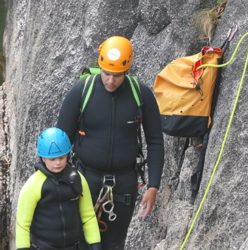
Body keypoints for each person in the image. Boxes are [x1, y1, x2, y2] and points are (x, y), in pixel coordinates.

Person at [57, 36, 164, 249]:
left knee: (113, 244)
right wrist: (56, 182)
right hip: (85, 180)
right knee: (78, 242)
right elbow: (61, 139)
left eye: (117, 75)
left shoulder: (140, 94)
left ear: (127, 70)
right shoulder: (82, 91)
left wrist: (153, 186)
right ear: (99, 65)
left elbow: (155, 141)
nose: (111, 81)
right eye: (106, 74)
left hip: (123, 184)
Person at [16, 127, 101, 250]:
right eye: (52, 159)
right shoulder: (33, 185)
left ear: (68, 155)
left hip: (74, 246)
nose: (58, 163)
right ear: (43, 158)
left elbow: (88, 216)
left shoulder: (78, 179)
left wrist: (95, 243)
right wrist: (23, 248)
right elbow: (22, 224)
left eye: (61, 157)